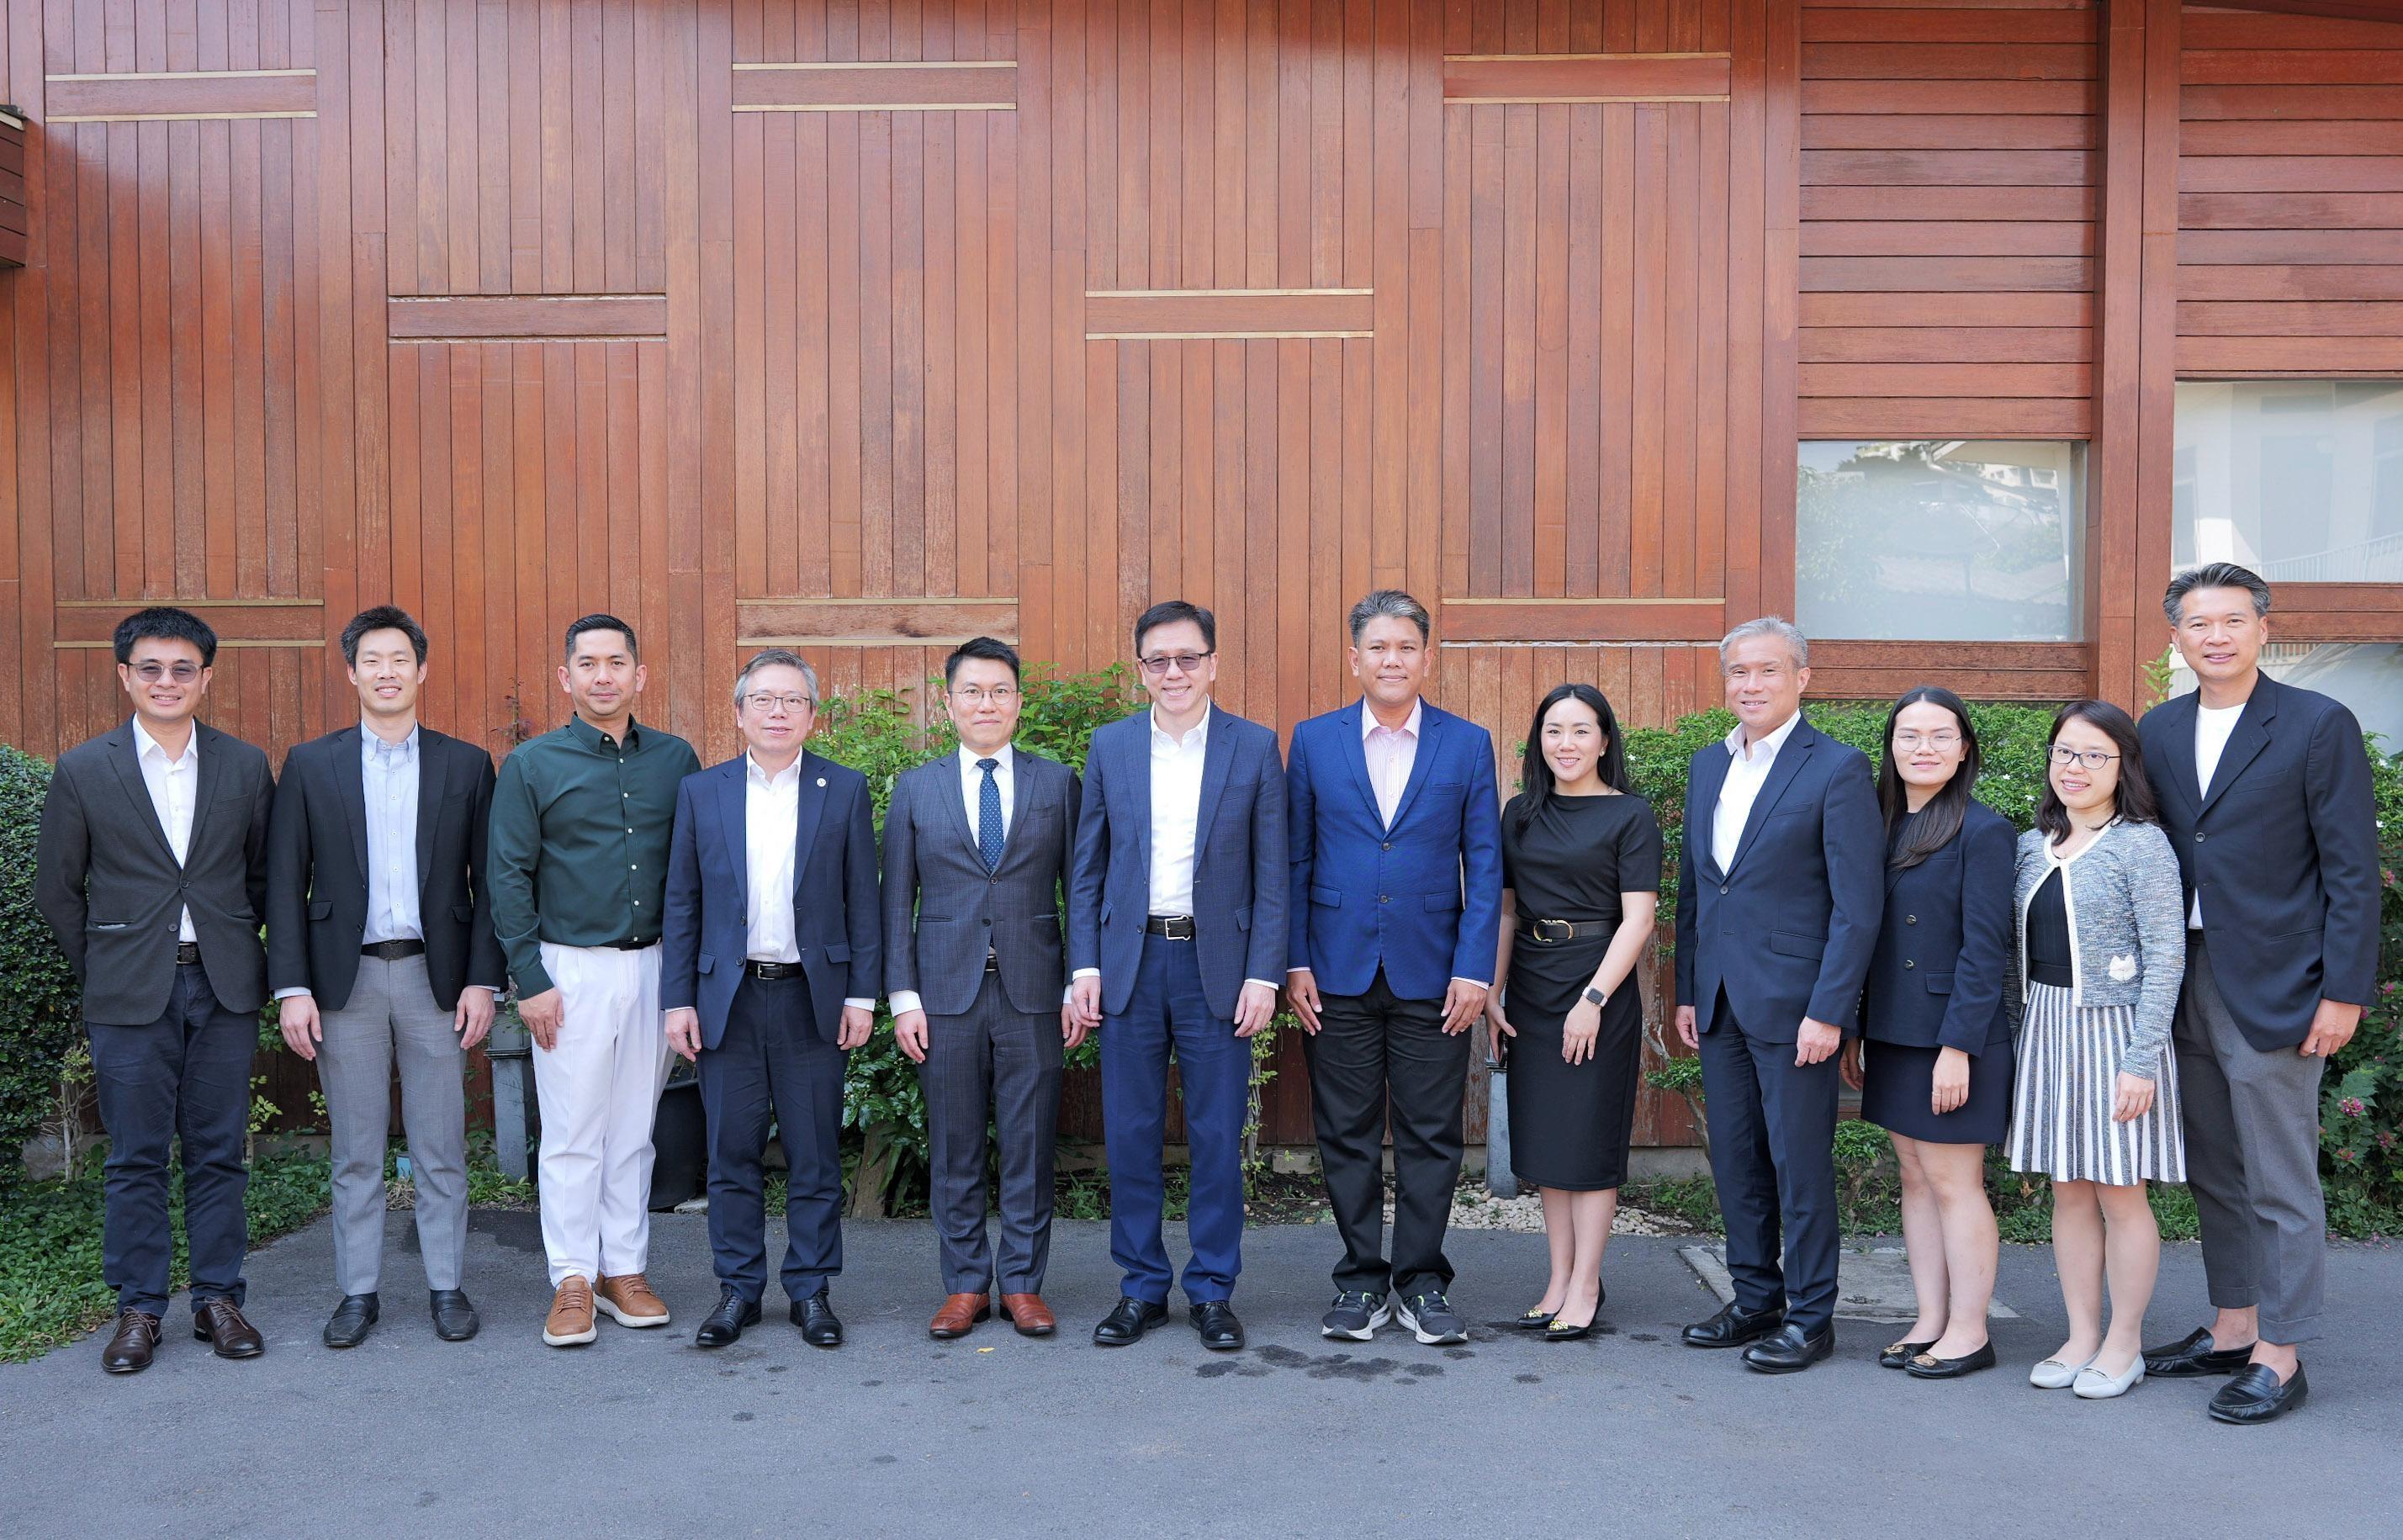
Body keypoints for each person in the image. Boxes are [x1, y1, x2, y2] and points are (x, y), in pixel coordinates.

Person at [2138, 563, 2381, 1426]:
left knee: (2278, 1175)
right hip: (2185, 974)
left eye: (2232, 620)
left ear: (2261, 630)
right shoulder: (2158, 728)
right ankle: (2233, 1324)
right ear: (2175, 637)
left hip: (2279, 981)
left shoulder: (2316, 723)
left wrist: (2342, 990)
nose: (2215, 636)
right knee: (2215, 1166)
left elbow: (2351, 869)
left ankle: (2281, 1351)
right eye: (2198, 623)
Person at [34, 606, 278, 1374]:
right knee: (136, 1155)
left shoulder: (245, 765)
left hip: (222, 984)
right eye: (150, 668)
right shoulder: (84, 768)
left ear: (205, 677)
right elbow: (56, 890)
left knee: (218, 1151)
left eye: (182, 669)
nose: (166, 681)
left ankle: (217, 1298)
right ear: (125, 675)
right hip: (128, 992)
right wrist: (108, 964)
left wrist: (235, 946)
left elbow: (263, 877)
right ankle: (140, 1307)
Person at [265, 606, 504, 1348]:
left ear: (421, 669)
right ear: (352, 672)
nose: (387, 671)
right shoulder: (311, 764)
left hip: (438, 979)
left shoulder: (466, 764)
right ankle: (358, 1292)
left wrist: (483, 979)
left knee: (441, 1145)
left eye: (400, 658)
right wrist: (291, 986)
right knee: (356, 1149)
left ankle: (446, 1285)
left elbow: (491, 883)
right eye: (372, 659)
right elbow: (284, 882)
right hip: (347, 982)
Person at [1067, 600, 1288, 1352]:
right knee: (1130, 1133)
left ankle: (1212, 1290)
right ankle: (1140, 1287)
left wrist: (1264, 974)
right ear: (1140, 670)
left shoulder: (1253, 747)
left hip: (1216, 967)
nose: (1173, 671)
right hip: (1129, 965)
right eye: (1158, 659)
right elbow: (1088, 867)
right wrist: (1084, 964)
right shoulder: (1111, 745)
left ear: (1212, 664)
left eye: (1187, 657)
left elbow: (1272, 873)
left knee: (1216, 1135)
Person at [1286, 590, 1503, 1347]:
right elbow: (1295, 857)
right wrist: (1295, 959)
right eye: (1377, 646)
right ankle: (1359, 1281)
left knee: (1430, 1135)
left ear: (1426, 657)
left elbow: (1485, 863)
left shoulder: (1466, 743)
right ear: (1354, 657)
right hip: (1333, 970)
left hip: (1434, 973)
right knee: (1344, 1133)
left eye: (1405, 646)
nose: (1391, 659)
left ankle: (1420, 1282)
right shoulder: (1312, 741)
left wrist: (1474, 969)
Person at [1673, 616, 1882, 1374]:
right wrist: (1688, 989)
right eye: (1738, 671)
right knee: (1735, 1159)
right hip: (1719, 1001)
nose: (1751, 684)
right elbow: (1698, 889)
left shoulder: (1837, 768)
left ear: (1801, 677)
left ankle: (1810, 1316)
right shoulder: (1708, 765)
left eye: (1767, 670)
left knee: (1798, 1166)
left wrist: (1830, 1010)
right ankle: (1754, 1297)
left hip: (1798, 1007)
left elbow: (1857, 907)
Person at [487, 614, 701, 1347]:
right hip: (567, 970)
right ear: (566, 677)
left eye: (616, 662)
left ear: (640, 675)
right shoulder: (531, 765)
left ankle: (624, 1270)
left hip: (655, 966)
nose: (602, 675)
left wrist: (687, 978)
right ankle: (573, 1277)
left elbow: (694, 870)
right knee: (574, 1132)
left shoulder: (675, 759)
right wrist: (530, 979)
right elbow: (507, 875)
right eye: (588, 663)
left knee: (634, 1129)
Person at [662, 649, 880, 1350]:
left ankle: (810, 1289)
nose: (777, 711)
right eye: (763, 699)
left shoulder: (842, 789)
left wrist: (862, 994)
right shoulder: (703, 791)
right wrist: (677, 999)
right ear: (739, 713)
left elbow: (864, 901)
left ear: (812, 714)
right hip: (726, 999)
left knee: (815, 1153)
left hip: (812, 999)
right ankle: (738, 1289)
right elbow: (681, 902)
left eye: (792, 700)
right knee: (731, 1152)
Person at [883, 638, 1083, 1341]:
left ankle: (1023, 1282)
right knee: (954, 1146)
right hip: (944, 998)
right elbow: (894, 901)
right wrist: (903, 998)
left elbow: (1080, 891)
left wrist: (1077, 981)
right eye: (972, 691)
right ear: (948, 704)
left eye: (1000, 690)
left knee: (1030, 1145)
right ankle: (965, 1283)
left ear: (1019, 701)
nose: (986, 703)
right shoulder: (916, 788)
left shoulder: (1057, 783)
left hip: (1034, 993)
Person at [2005, 700, 2187, 1401]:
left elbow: (2166, 953)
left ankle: (2123, 1343)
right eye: (2063, 752)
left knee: (2119, 1191)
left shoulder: (2141, 844)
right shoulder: (2031, 844)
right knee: (2068, 1189)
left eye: (2092, 754)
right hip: (2046, 1027)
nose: (2073, 767)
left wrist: (2141, 1060)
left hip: (2116, 1033)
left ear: (2122, 765)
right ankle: (2080, 1334)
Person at [1839, 686, 2015, 1380]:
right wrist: (1856, 1027)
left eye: (1940, 735)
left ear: (1964, 748)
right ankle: (1929, 1317)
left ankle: (1970, 1330)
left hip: (1951, 1035)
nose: (1923, 748)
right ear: (1889, 746)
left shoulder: (1982, 829)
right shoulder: (1877, 825)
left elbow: (1984, 948)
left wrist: (1956, 1048)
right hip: (1892, 1029)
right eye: (1908, 735)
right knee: (1914, 1175)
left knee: (1952, 1181)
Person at [1484, 684, 1659, 1342]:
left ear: (1604, 740)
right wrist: (1493, 993)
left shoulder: (1629, 815)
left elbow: (1638, 920)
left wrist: (1592, 999)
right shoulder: (1519, 813)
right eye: (1553, 730)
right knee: (1545, 1142)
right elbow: (1506, 911)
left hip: (1595, 988)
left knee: (1585, 1141)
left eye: (1581, 730)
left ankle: (1587, 1284)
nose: (1566, 743)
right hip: (1531, 986)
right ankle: (1558, 1279)